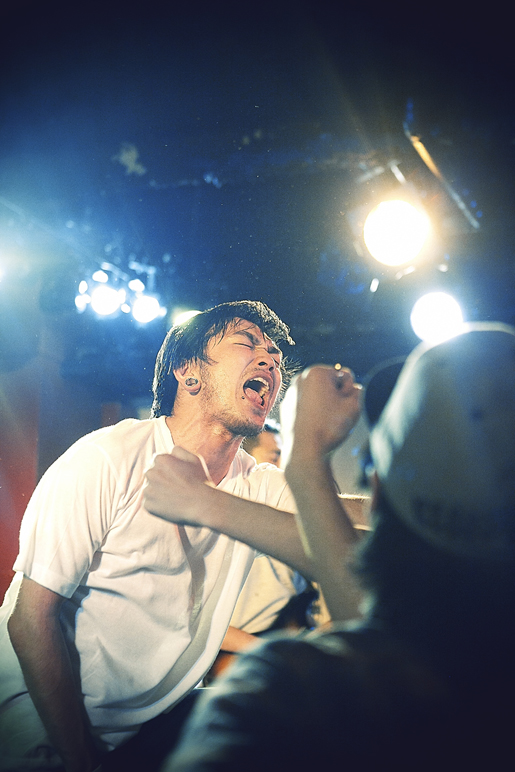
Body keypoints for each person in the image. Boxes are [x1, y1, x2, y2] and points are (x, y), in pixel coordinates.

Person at [0, 300, 363, 772]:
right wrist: (82, 762)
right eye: (248, 343)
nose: (270, 360)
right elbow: (30, 619)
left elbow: (347, 521)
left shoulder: (254, 482)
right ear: (188, 372)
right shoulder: (109, 458)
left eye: (275, 355)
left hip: (145, 728)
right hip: (41, 729)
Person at [160, 322, 515, 771]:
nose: (268, 358)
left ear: (377, 491)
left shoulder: (283, 697)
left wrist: (300, 460)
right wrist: (303, 467)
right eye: (248, 343)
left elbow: (379, 636)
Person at [207, 422, 314, 681]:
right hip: (233, 650)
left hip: (288, 639)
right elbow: (197, 624)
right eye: (274, 457)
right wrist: (268, 651)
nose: (282, 467)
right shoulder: (220, 527)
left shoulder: (291, 517)